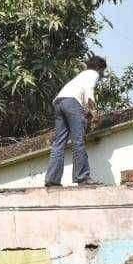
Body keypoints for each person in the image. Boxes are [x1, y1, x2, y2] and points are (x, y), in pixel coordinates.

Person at [45, 55, 107, 187]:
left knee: (58, 143)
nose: (102, 75)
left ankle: (52, 179)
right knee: (78, 140)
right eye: (102, 71)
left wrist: (86, 112)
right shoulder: (93, 73)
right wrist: (94, 112)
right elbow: (89, 92)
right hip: (72, 102)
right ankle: (82, 177)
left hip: (58, 102)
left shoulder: (81, 76)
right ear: (99, 68)